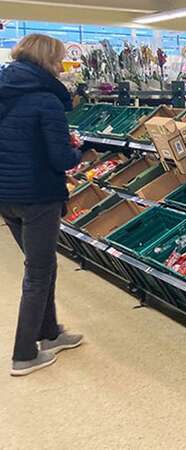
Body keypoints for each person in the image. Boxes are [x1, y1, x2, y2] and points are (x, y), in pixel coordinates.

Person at [0, 34, 84, 377]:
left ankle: (50, 333)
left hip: (7, 196)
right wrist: (79, 151)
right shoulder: (46, 101)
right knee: (38, 273)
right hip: (39, 196)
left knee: (42, 265)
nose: (62, 66)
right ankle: (23, 354)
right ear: (47, 61)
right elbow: (61, 158)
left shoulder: (4, 94)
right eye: (59, 59)